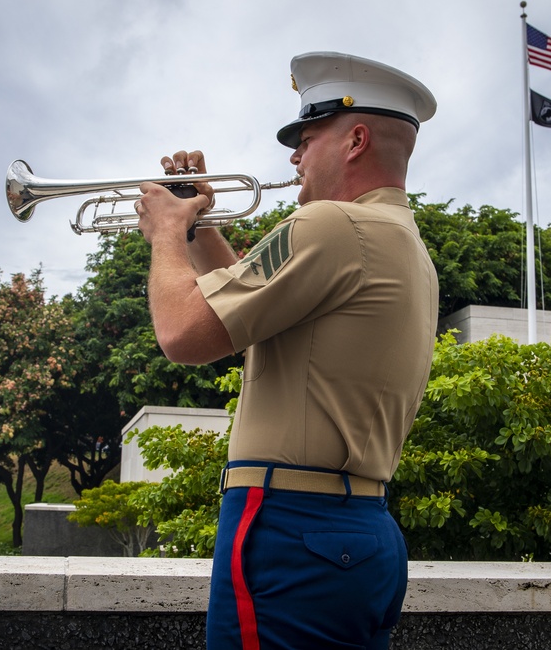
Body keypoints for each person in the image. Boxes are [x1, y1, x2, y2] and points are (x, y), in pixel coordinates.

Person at [134, 51, 438, 650]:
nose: (295, 156)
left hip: (292, 530)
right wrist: (199, 227)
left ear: (354, 140)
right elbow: (252, 322)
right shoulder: (400, 242)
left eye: (307, 137)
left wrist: (166, 232)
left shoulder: (332, 224)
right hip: (358, 532)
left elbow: (181, 333)